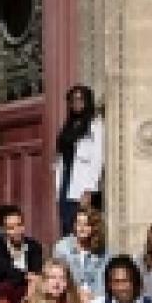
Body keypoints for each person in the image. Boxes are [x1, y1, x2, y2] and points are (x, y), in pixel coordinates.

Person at [54, 84, 104, 236]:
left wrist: (90, 189)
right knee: (67, 224)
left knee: (82, 226)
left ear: (88, 101)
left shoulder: (95, 125)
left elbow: (98, 158)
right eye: (73, 100)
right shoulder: (68, 126)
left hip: (83, 185)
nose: (76, 103)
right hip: (66, 182)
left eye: (80, 99)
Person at [0, 204, 45, 303]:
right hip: (6, 297)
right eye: (11, 228)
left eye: (19, 225)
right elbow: (5, 272)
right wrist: (26, 275)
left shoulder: (33, 246)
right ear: (4, 230)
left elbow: (36, 272)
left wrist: (31, 282)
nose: (17, 231)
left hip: (31, 293)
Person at [53, 206, 107, 301]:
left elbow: (102, 282)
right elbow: (60, 279)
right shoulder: (62, 248)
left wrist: (94, 299)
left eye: (86, 224)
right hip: (70, 299)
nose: (81, 228)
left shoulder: (102, 251)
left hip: (95, 300)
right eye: (79, 224)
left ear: (94, 227)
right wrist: (78, 294)